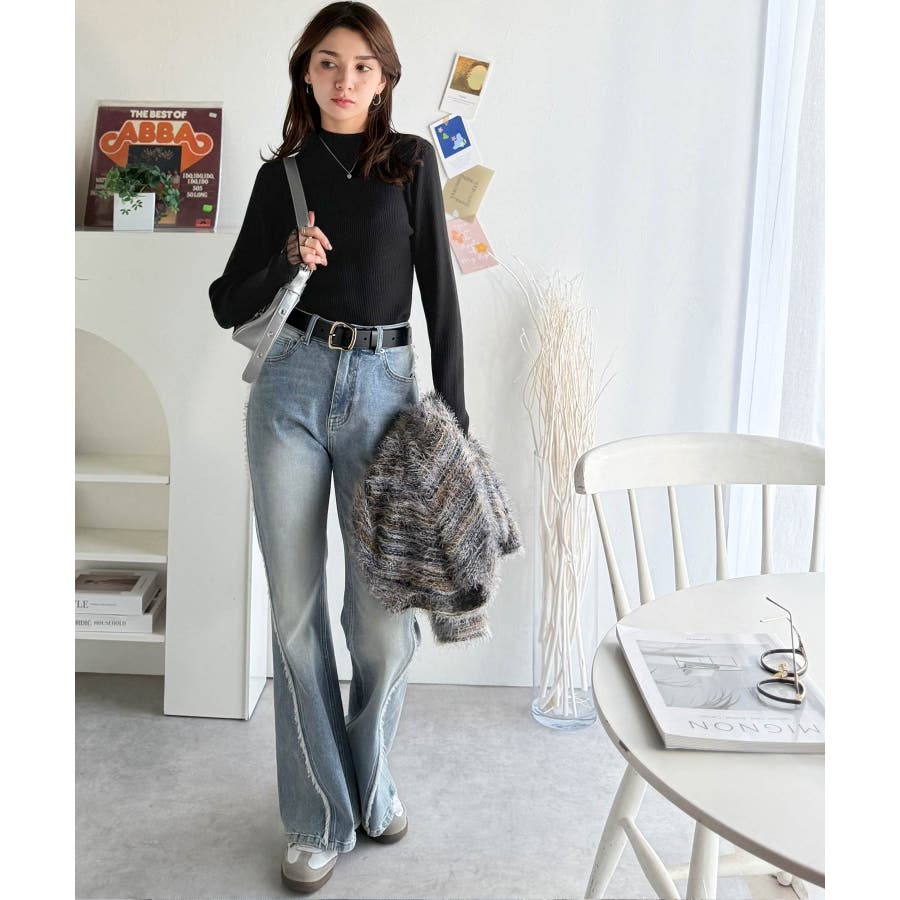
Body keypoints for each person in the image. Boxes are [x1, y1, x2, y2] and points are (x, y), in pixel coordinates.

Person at [208, 1, 468, 893]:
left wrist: (455, 421)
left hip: (387, 394)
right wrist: (288, 256)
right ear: (306, 73)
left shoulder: (412, 165)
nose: (344, 79)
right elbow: (226, 300)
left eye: (362, 65)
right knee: (295, 614)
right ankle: (318, 813)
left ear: (385, 78)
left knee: (384, 622)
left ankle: (371, 781)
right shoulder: (281, 174)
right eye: (328, 62)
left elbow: (441, 295)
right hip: (289, 387)